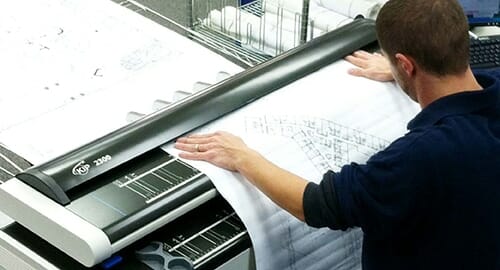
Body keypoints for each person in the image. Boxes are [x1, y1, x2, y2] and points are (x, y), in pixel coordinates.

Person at [175, 0, 500, 269]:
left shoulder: (420, 155)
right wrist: (406, 72)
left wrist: (243, 156)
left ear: (406, 63)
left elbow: (317, 205)